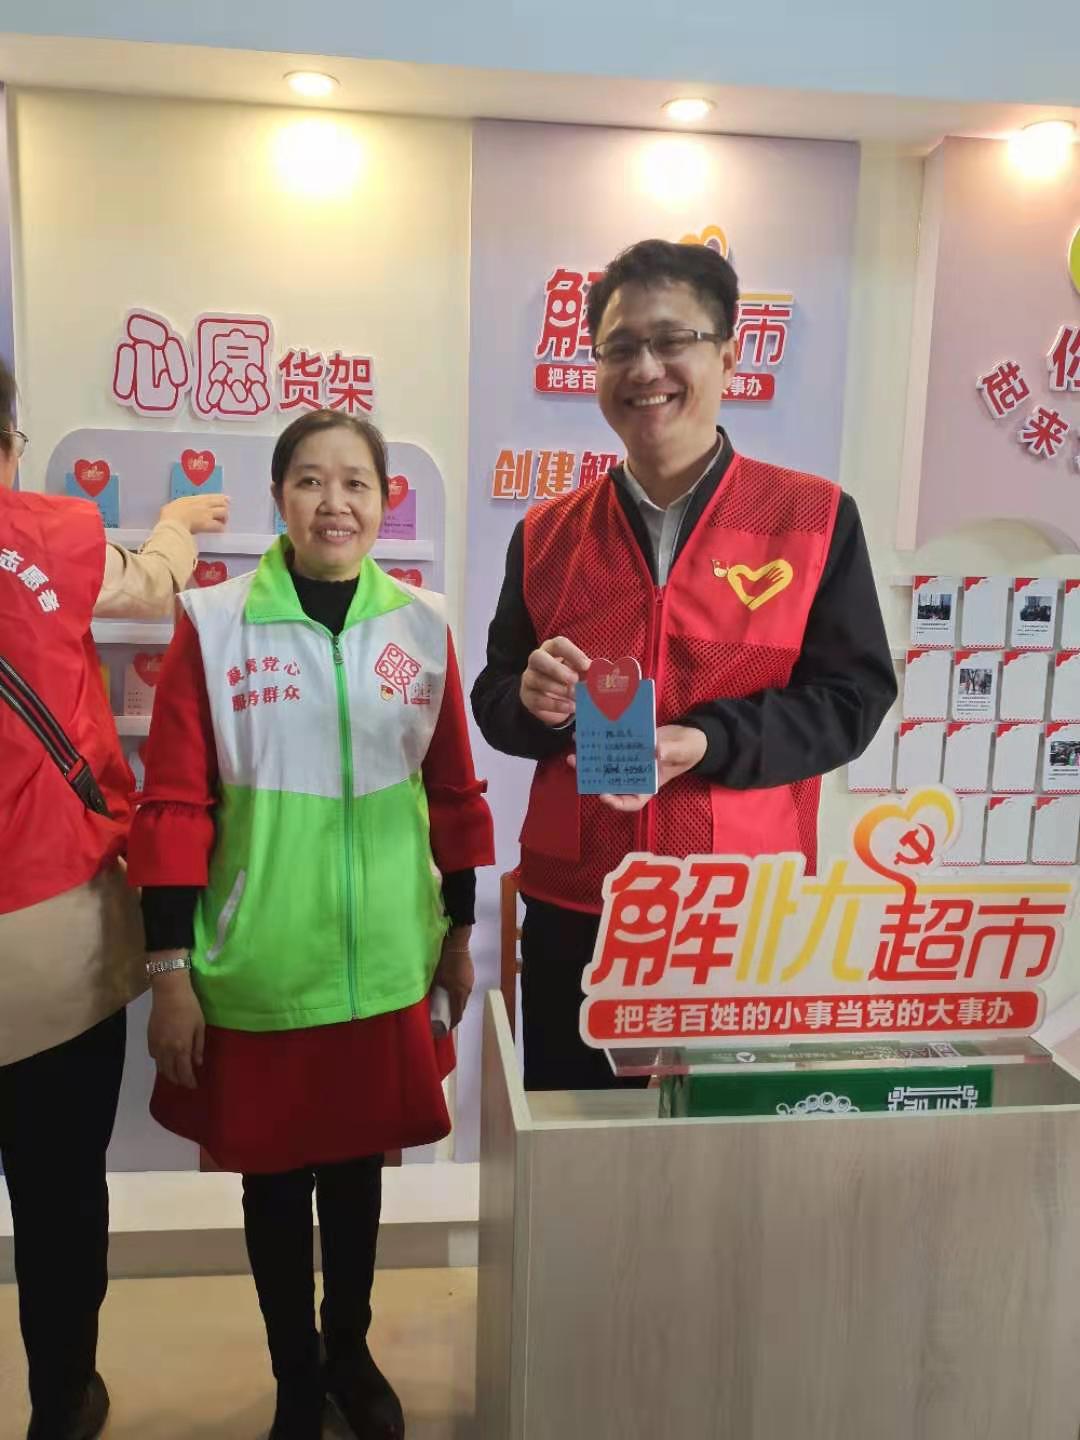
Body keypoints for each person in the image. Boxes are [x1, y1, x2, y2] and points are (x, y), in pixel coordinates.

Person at [127, 410, 494, 1440]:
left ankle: (351, 1353)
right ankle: (296, 1373)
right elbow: (173, 807)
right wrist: (169, 971)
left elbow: (454, 794)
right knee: (277, 1187)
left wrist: (456, 935)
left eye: (356, 483)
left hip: (386, 964)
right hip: (260, 966)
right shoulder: (215, 624)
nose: (335, 503)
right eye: (310, 481)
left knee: (361, 1174)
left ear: (384, 501)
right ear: (280, 498)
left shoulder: (421, 625)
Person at [471, 239, 897, 1092]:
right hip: (579, 909)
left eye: (673, 341)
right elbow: (495, 698)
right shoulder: (547, 533)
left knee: (727, 1152)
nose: (646, 368)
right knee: (577, 1144)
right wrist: (531, 701)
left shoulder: (813, 518)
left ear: (729, 357)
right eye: (621, 347)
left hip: (742, 912)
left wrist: (707, 741)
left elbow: (852, 701)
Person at [0, 354, 228, 1440]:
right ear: (7, 443)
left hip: (53, 931)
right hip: (53, 934)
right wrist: (177, 522)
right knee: (57, 1194)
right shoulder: (49, 532)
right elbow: (153, 583)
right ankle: (62, 1403)